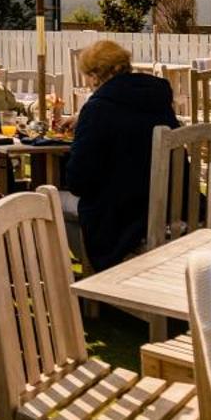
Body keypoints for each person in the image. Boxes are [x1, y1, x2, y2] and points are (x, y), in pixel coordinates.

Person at [61, 40, 178, 271]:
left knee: (50, 203)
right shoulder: (159, 98)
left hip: (123, 220)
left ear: (94, 76)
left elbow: (78, 182)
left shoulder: (98, 108)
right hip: (172, 209)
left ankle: (89, 284)